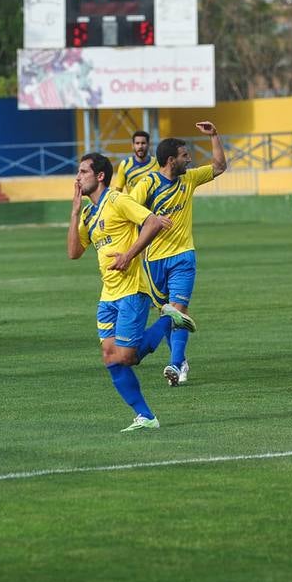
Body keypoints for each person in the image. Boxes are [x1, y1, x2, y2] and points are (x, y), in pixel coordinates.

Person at [69, 152, 173, 431]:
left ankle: (168, 320)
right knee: (110, 358)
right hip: (108, 295)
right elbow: (73, 252)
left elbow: (151, 222)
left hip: (131, 290)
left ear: (100, 176)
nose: (77, 177)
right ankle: (146, 417)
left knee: (126, 357)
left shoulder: (117, 199)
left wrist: (128, 256)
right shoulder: (89, 213)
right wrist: (75, 212)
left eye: (82, 172)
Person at [130, 121, 226, 387]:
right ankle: (180, 360)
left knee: (178, 310)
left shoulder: (190, 179)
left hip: (183, 256)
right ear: (171, 160)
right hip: (153, 261)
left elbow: (219, 166)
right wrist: (150, 219)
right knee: (166, 314)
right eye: (185, 156)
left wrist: (215, 136)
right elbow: (127, 212)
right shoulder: (147, 184)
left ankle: (174, 363)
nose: (190, 159)